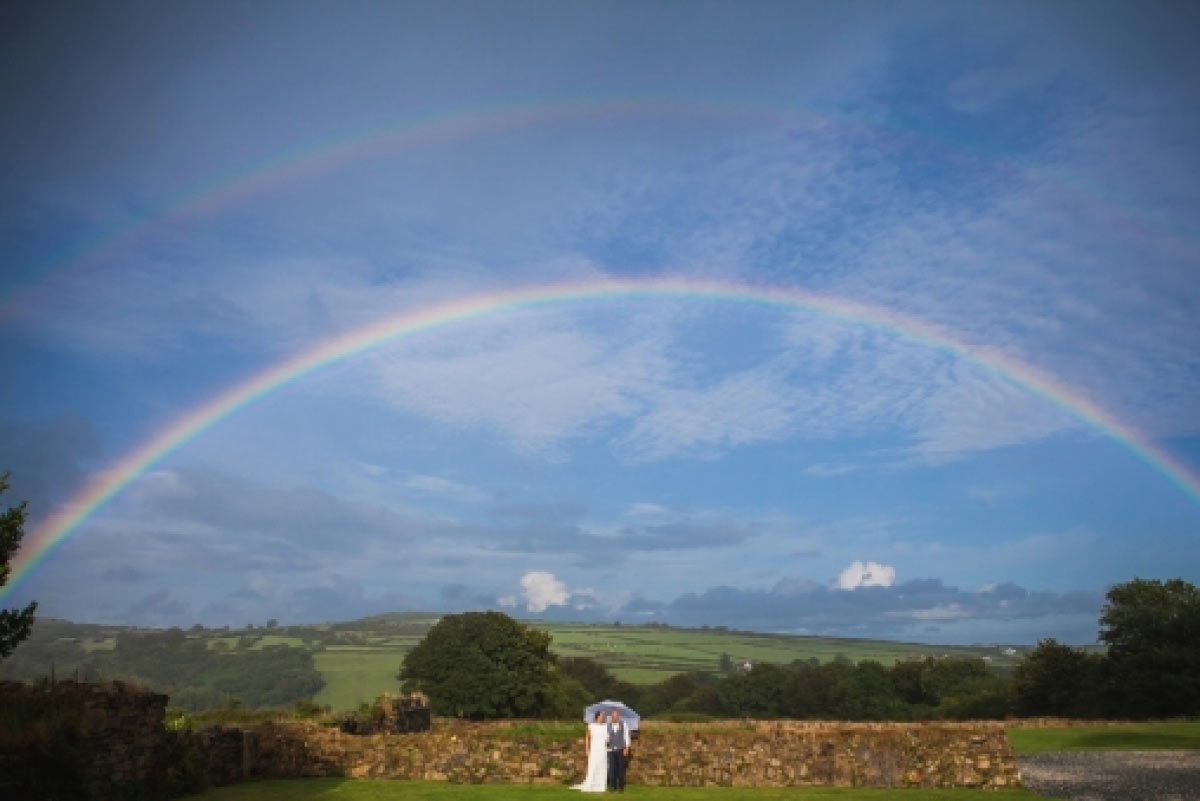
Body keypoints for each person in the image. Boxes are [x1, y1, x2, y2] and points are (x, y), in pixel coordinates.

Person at [571, 711, 608, 792]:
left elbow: (607, 737)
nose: (603, 717)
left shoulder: (606, 726)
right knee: (593, 765)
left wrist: (607, 740)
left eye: (603, 716)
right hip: (594, 748)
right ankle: (591, 782)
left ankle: (600, 783)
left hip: (603, 749)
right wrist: (587, 749)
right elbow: (587, 738)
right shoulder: (591, 726)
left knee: (602, 765)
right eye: (601, 716)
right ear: (597, 717)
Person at [606, 708, 630, 792]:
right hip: (611, 750)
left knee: (620, 769)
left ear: (618, 716)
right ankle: (612, 786)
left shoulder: (624, 725)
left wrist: (626, 748)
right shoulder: (607, 726)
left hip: (621, 749)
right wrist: (606, 740)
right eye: (613, 716)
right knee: (612, 769)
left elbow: (627, 737)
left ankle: (620, 787)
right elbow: (605, 737)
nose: (614, 718)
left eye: (615, 716)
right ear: (611, 717)